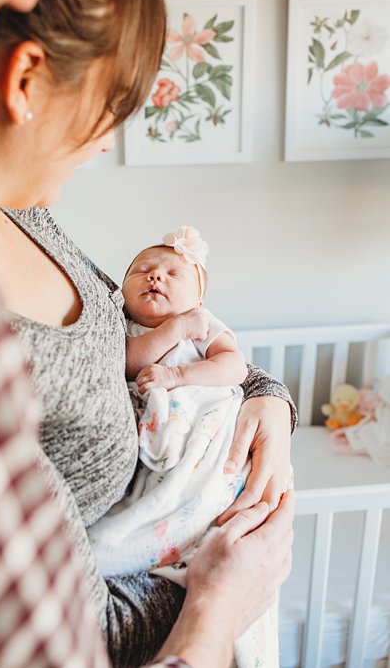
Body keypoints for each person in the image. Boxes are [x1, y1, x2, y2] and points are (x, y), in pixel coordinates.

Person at [0, 0, 295, 666]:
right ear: (28, 79)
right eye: (113, 107)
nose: (105, 145)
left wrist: (267, 399)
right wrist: (223, 599)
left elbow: (148, 327)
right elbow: (77, 639)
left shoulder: (25, 214)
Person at [90, 227, 278, 668]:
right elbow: (131, 362)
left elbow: (232, 367)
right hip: (156, 424)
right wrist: (174, 328)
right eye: (142, 271)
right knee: (153, 490)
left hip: (203, 413)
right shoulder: (123, 328)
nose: (155, 277)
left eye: (173, 273)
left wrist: (179, 377)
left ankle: (199, 530)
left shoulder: (206, 323)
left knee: (216, 476)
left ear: (198, 296)